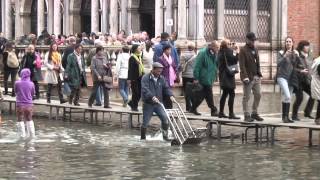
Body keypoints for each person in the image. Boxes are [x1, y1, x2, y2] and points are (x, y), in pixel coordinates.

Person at [140, 62, 175, 140]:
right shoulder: (145, 78)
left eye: (161, 71)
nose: (159, 73)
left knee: (165, 119)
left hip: (158, 103)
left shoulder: (161, 78)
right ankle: (143, 138)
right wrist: (152, 96)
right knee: (145, 123)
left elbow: (166, 88)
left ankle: (165, 137)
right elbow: (145, 89)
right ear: (153, 69)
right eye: (158, 71)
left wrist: (171, 95)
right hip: (148, 103)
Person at [239, 32, 264, 122]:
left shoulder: (255, 49)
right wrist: (245, 77)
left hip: (256, 77)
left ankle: (254, 113)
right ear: (247, 40)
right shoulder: (243, 50)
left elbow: (257, 63)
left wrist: (258, 74)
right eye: (252, 40)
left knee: (258, 94)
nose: (253, 42)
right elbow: (242, 65)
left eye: (254, 40)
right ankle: (246, 115)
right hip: (248, 78)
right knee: (247, 97)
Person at [192, 41, 219, 116]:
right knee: (209, 94)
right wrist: (196, 78)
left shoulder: (214, 53)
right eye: (217, 47)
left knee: (203, 95)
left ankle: (193, 108)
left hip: (210, 77)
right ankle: (213, 110)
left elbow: (215, 64)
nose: (218, 49)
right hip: (203, 78)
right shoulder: (202, 53)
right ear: (212, 46)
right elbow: (197, 66)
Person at [276, 37, 298, 123]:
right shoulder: (281, 53)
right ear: (285, 43)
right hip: (281, 77)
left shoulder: (295, 53)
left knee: (288, 97)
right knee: (288, 96)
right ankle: (285, 117)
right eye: (287, 42)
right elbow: (278, 63)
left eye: (290, 42)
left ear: (292, 43)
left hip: (291, 78)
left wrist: (298, 56)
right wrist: (284, 56)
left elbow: (296, 66)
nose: (288, 43)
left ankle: (285, 117)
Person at [292, 40, 315, 120]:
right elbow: (292, 68)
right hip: (298, 81)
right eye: (306, 46)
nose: (308, 47)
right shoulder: (296, 56)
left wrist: (311, 78)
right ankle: (294, 116)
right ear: (302, 47)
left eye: (308, 46)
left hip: (305, 81)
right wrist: (300, 71)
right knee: (300, 98)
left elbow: (309, 69)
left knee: (313, 94)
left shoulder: (307, 56)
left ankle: (307, 112)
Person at [218, 39, 240, 119]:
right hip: (228, 76)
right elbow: (235, 59)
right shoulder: (228, 51)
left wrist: (232, 50)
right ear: (226, 44)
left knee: (224, 94)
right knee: (232, 94)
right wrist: (237, 51)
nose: (230, 44)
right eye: (229, 43)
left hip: (222, 76)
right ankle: (231, 114)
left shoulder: (220, 52)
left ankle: (221, 112)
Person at [15, 68, 35, 139]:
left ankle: (22, 136)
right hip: (29, 104)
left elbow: (16, 91)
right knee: (29, 119)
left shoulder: (17, 83)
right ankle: (32, 135)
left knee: (20, 119)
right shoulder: (32, 84)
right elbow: (33, 93)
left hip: (20, 104)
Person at [158, 44, 177, 109]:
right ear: (165, 50)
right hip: (164, 78)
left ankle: (168, 107)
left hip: (171, 78)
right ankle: (166, 107)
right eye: (168, 50)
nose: (170, 51)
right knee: (166, 93)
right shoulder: (161, 59)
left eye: (170, 50)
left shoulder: (171, 58)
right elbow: (159, 70)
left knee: (169, 92)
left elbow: (174, 67)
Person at [127, 44, 144, 111]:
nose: (140, 49)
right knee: (135, 92)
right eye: (139, 48)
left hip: (140, 77)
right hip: (134, 78)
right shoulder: (132, 58)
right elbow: (130, 69)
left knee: (139, 93)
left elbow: (141, 67)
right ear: (135, 49)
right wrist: (129, 79)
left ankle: (131, 103)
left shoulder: (139, 57)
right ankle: (134, 106)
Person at [181, 41, 197, 112]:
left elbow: (181, 66)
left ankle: (188, 107)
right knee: (193, 91)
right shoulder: (196, 55)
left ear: (188, 47)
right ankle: (193, 107)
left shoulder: (183, 55)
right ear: (194, 48)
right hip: (193, 75)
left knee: (186, 91)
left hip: (185, 75)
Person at [311, 56, 320, 125]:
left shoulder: (317, 60)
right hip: (317, 83)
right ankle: (318, 119)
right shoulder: (318, 62)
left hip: (316, 82)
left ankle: (317, 118)